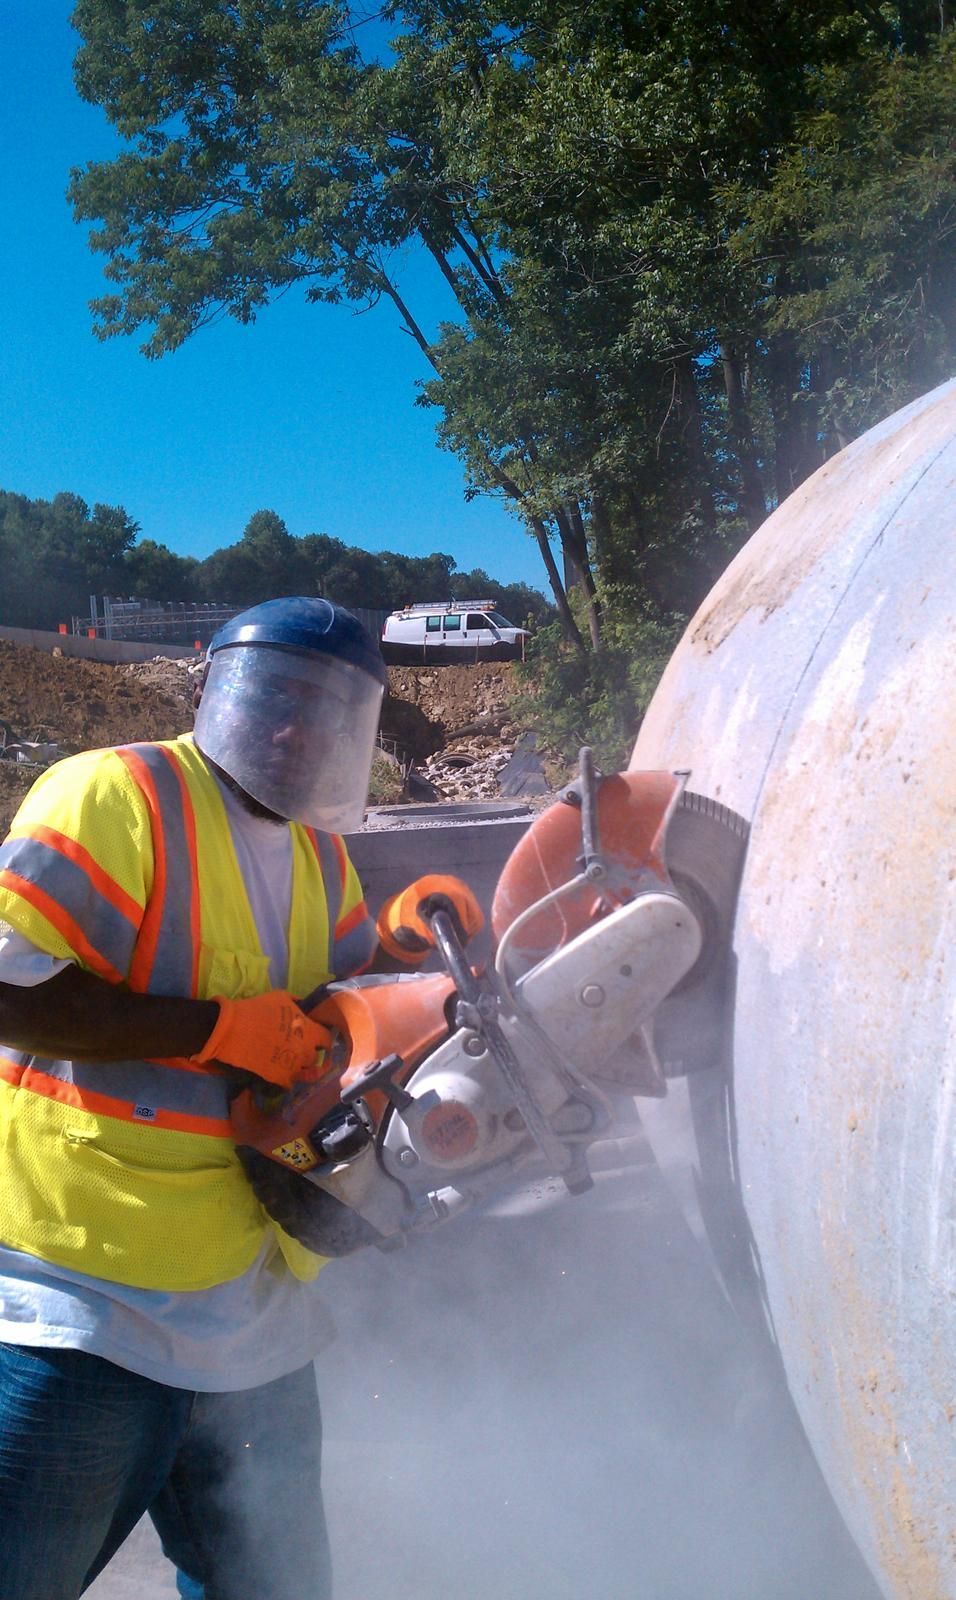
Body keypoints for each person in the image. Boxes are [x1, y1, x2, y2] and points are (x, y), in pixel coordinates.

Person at [0, 597, 482, 1600]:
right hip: (83, 1312)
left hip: (255, 1319)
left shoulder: (317, 853)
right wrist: (213, 1028)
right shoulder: (115, 795)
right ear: (216, 688)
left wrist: (406, 947)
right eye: (275, 697)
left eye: (327, 710)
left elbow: (346, 1009)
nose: (294, 726)